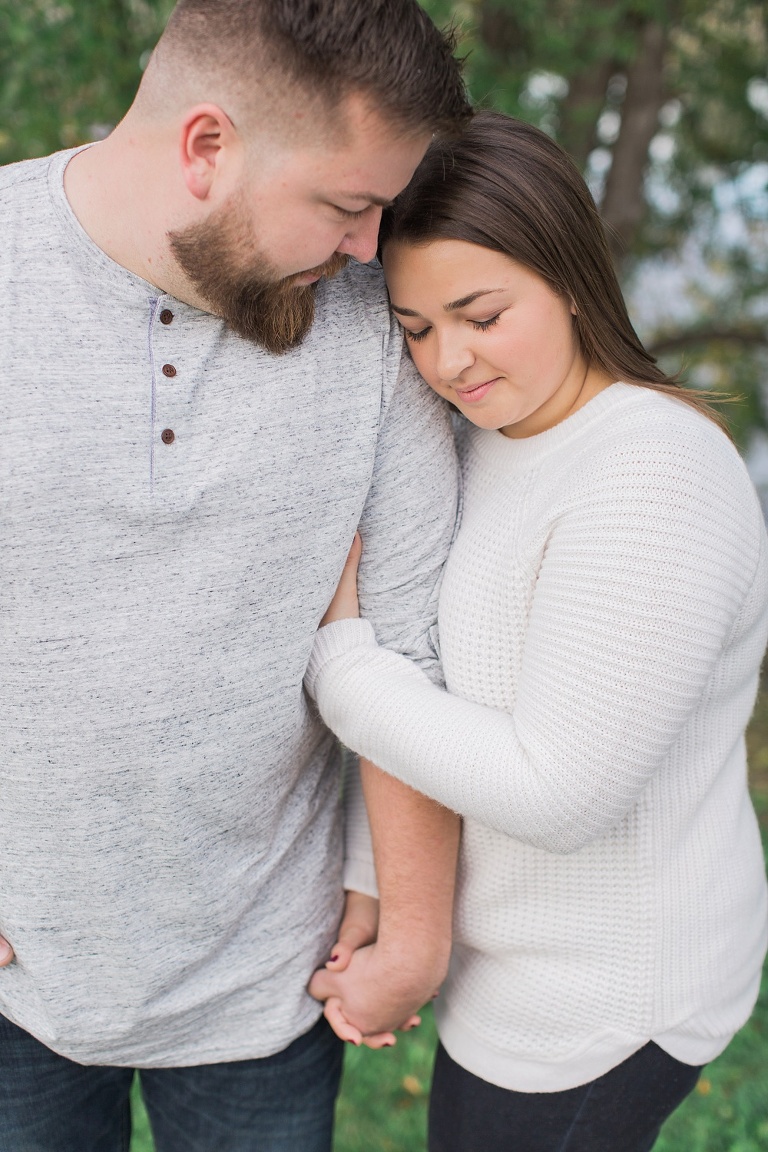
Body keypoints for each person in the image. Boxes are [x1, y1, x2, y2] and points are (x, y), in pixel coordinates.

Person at [0, 3, 471, 1149]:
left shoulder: (368, 319)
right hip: (19, 973)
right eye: (349, 205)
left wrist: (411, 931)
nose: (370, 247)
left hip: (274, 970)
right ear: (208, 147)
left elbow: (408, 639)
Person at [305, 111, 768, 1152]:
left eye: (479, 313)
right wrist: (379, 873)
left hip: (605, 1000)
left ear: (566, 274)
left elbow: (560, 792)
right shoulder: (502, 434)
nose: (449, 360)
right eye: (417, 329)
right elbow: (455, 687)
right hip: (515, 974)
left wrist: (339, 667)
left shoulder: (653, 474)